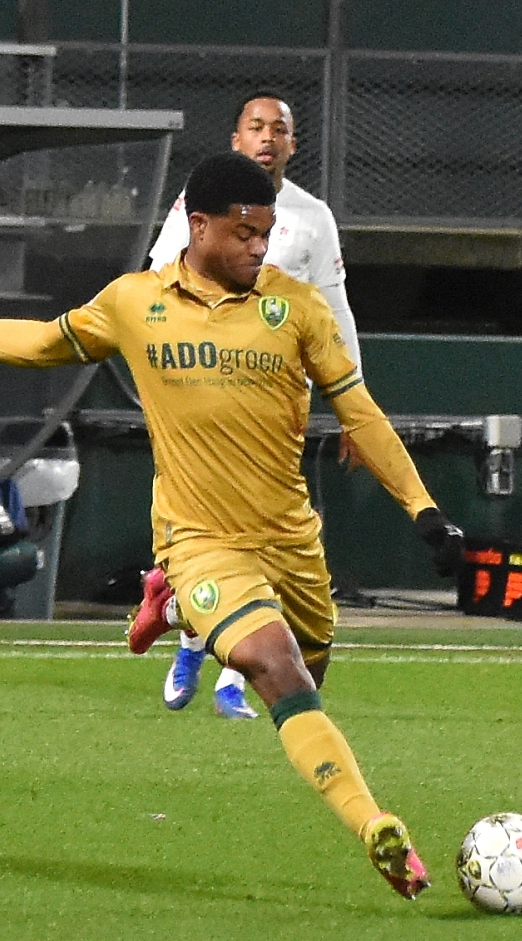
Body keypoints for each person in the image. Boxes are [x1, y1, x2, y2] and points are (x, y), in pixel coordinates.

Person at [0, 151, 462, 901]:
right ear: (199, 225)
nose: (258, 247)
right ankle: (375, 824)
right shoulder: (135, 303)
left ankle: (176, 605)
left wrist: (425, 510)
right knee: (272, 666)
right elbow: (40, 343)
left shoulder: (297, 309)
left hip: (291, 544)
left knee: (306, 682)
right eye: (245, 233)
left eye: (268, 234)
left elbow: (360, 415)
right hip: (201, 538)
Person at [147, 91, 362, 719]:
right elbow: (157, 280)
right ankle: (191, 636)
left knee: (259, 536)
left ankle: (223, 667)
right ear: (237, 138)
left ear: (294, 144)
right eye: (256, 127)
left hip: (275, 410)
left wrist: (354, 405)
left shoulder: (313, 218)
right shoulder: (199, 203)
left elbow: (336, 310)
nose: (268, 138)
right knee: (212, 532)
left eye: (280, 130)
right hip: (200, 398)